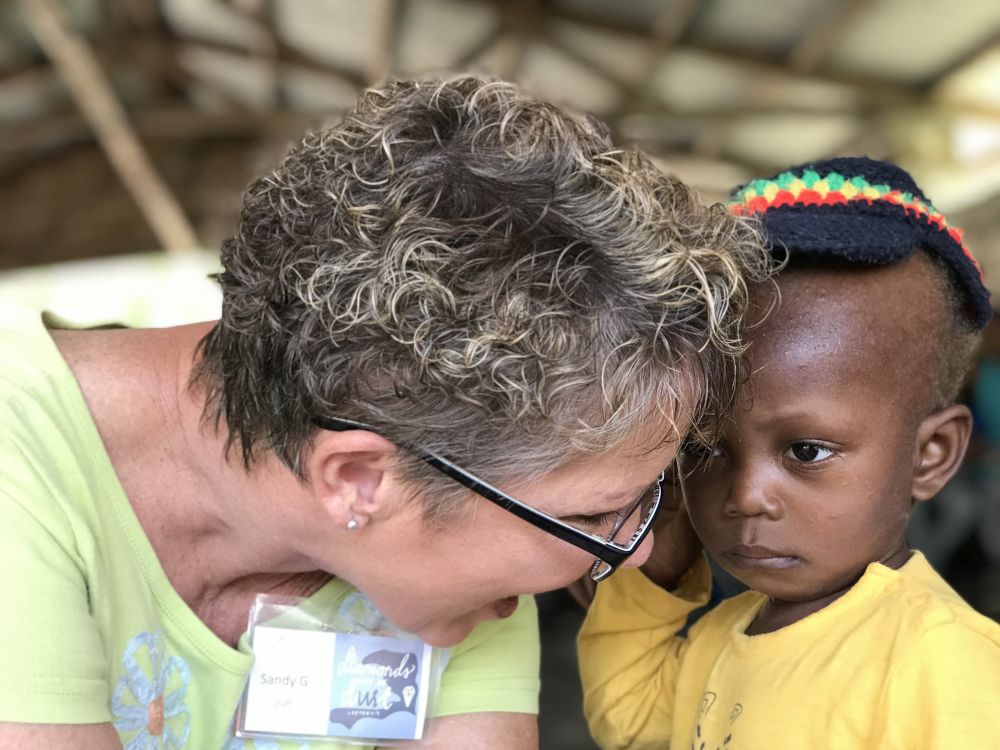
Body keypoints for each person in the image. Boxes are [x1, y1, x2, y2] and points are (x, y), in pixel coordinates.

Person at [0, 76, 772, 750]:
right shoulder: (21, 465)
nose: (632, 554)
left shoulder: (462, 551)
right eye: (600, 515)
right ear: (360, 480)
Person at [578, 156, 1000, 749]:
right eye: (706, 450)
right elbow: (633, 721)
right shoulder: (729, 629)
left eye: (805, 450)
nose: (745, 497)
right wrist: (659, 575)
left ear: (930, 454)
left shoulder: (948, 665)